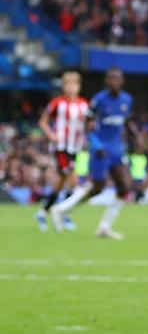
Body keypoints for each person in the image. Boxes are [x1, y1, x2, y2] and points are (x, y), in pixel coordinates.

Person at [50, 68, 142, 239]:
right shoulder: (99, 100)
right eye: (111, 79)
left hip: (116, 149)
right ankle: (61, 209)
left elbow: (127, 121)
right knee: (97, 188)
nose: (114, 82)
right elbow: (86, 125)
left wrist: (136, 139)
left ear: (122, 82)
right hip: (100, 150)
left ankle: (104, 226)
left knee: (124, 187)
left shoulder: (126, 100)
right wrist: (96, 143)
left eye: (117, 79)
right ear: (106, 82)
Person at [35, 70, 88, 233]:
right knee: (74, 180)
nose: (71, 88)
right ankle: (64, 214)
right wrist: (51, 135)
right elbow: (43, 122)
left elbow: (86, 125)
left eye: (75, 84)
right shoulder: (57, 103)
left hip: (75, 147)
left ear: (79, 86)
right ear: (64, 86)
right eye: (68, 84)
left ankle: (43, 212)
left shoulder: (84, 104)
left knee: (60, 184)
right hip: (60, 147)